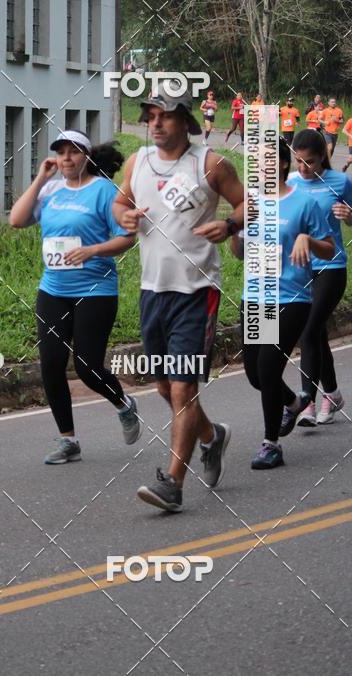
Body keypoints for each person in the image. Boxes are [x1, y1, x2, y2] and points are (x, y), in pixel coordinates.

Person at [113, 84, 245, 512]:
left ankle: (173, 483)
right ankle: (211, 436)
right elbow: (120, 202)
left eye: (164, 115)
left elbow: (250, 204)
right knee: (165, 387)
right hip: (153, 290)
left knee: (184, 386)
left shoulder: (210, 164)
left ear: (185, 121)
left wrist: (227, 226)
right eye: (150, 115)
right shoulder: (138, 161)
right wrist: (126, 215)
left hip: (196, 290)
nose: (154, 122)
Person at [9, 129, 138, 464]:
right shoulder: (50, 190)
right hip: (53, 290)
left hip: (95, 291)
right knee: (50, 366)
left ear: (87, 157)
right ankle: (68, 441)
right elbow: (17, 220)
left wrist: (93, 250)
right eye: (61, 152)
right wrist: (39, 179)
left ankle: (124, 405)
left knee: (86, 367)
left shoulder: (105, 191)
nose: (66, 158)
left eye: (74, 152)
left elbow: (127, 238)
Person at [231, 137, 335, 468]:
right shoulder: (250, 203)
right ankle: (293, 402)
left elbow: (330, 249)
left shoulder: (304, 203)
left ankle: (271, 444)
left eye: (267, 159)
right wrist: (239, 232)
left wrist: (308, 239)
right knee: (254, 374)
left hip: (292, 297)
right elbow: (238, 253)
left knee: (267, 367)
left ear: (282, 164)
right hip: (255, 296)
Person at [285, 128, 352, 427]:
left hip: (331, 266)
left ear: (321, 158)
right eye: (298, 161)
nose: (303, 168)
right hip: (300, 269)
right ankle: (333, 394)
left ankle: (306, 402)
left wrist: (349, 215)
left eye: (309, 162)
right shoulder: (290, 183)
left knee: (308, 330)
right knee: (317, 334)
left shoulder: (340, 181)